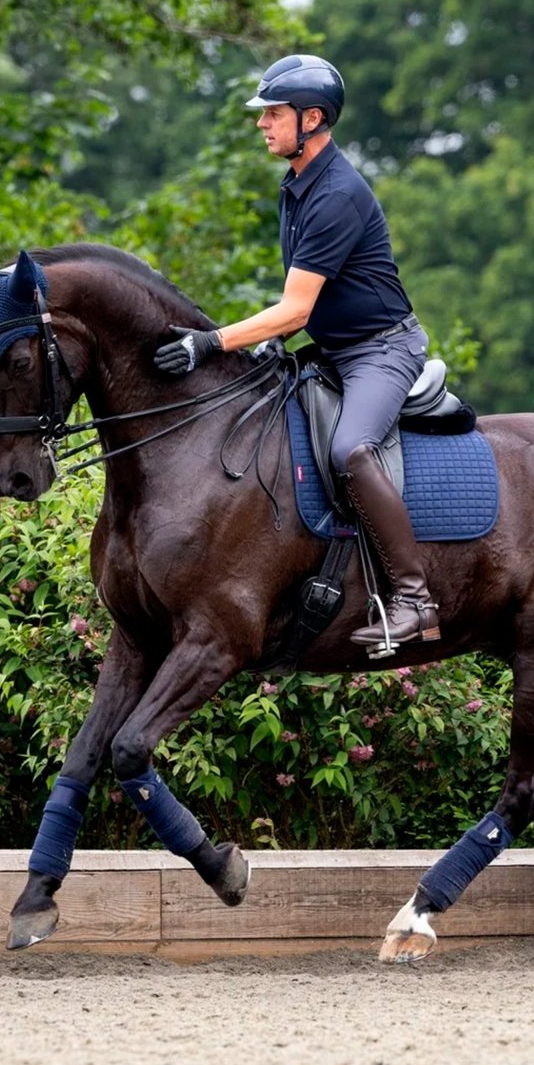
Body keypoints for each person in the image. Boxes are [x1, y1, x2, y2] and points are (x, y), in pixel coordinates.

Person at [153, 54, 439, 652]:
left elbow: (297, 306)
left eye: (274, 114)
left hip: (381, 351)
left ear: (313, 119)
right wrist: (273, 340)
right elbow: (306, 297)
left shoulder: (335, 193)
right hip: (334, 349)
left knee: (351, 450)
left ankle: (415, 600)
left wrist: (210, 342)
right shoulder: (298, 185)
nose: (262, 124)